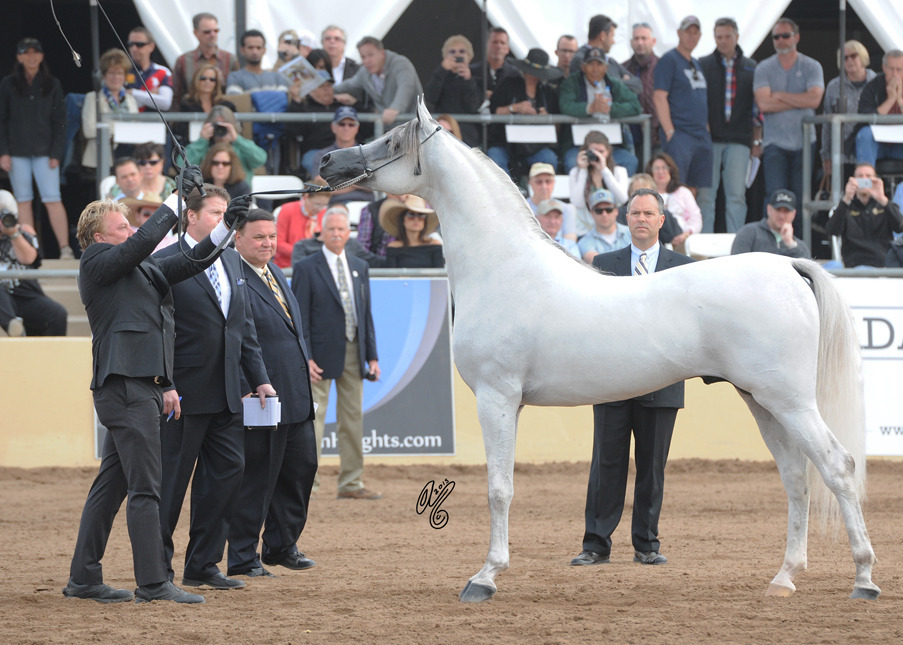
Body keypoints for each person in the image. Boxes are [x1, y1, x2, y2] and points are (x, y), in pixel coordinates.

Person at [64, 165, 228, 605]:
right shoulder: (97, 261)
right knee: (146, 488)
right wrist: (176, 200)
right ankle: (153, 582)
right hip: (126, 386)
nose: (131, 229)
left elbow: (191, 259)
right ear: (99, 236)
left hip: (138, 388)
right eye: (121, 225)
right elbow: (142, 243)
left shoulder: (143, 269)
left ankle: (83, 578)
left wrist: (228, 225)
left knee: (111, 487)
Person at [154, 185, 275, 590]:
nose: (224, 219)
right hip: (181, 396)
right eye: (216, 213)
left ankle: (203, 564)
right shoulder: (164, 261)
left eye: (228, 213)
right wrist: (164, 383)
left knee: (226, 476)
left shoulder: (233, 262)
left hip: (227, 393)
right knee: (170, 485)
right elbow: (159, 331)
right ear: (191, 216)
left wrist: (259, 377)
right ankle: (157, 571)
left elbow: (244, 329)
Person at [571, 187, 692, 568]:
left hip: (663, 379)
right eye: (635, 212)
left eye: (648, 213)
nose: (641, 218)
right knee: (606, 463)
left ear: (661, 220)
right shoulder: (603, 262)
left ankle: (647, 544)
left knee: (652, 467)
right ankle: (595, 545)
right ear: (627, 218)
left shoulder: (684, 267)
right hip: (611, 378)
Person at [227, 209, 318, 577]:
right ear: (237, 238)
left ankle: (282, 546)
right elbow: (236, 342)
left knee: (300, 470)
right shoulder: (234, 278)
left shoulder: (277, 272)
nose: (267, 243)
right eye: (259, 237)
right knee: (258, 480)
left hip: (294, 395)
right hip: (261, 399)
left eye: (271, 236)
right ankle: (243, 557)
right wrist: (247, 387)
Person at [292, 207, 381, 499]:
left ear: (348, 233)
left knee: (353, 419)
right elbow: (299, 316)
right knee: (314, 420)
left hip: (355, 350)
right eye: (331, 229)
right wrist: (305, 356)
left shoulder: (360, 266)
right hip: (318, 354)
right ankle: (309, 484)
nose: (336, 234)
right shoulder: (306, 267)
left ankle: (351, 483)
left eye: (342, 230)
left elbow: (366, 314)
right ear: (321, 232)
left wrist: (372, 356)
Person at [0, 37, 71, 258]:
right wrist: (3, 151)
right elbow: (2, 119)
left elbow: (61, 121)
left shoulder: (52, 83)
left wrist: (56, 153)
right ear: (19, 57)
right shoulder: (9, 84)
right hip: (17, 151)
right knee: (23, 200)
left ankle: (65, 248)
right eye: (26, 53)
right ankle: (31, 248)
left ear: (41, 56)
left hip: (45, 152)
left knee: (52, 198)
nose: (31, 57)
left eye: (35, 52)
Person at [753, 18, 824, 221]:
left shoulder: (812, 66)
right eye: (776, 36)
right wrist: (801, 99)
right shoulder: (764, 68)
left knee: (801, 199)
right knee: (774, 197)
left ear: (797, 37)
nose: (781, 40)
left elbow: (815, 99)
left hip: (804, 144)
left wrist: (780, 95)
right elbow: (764, 104)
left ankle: (799, 246)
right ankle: (771, 248)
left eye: (785, 35)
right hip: (774, 143)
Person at [699, 18, 762, 234]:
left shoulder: (751, 67)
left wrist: (756, 140)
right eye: (719, 37)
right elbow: (698, 103)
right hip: (710, 140)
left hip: (740, 140)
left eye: (727, 36)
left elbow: (757, 109)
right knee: (706, 196)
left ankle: (737, 245)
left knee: (736, 196)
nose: (723, 41)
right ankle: (702, 247)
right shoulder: (703, 64)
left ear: (737, 37)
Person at [653, 16, 713, 214]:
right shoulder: (669, 60)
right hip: (680, 134)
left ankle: (689, 231)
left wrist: (706, 130)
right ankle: (673, 230)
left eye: (696, 32)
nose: (691, 36)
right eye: (688, 31)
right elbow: (660, 97)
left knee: (695, 188)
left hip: (700, 136)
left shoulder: (696, 63)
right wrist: (670, 132)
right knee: (675, 187)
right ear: (679, 33)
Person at [559, 47, 642, 175]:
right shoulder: (572, 82)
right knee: (572, 163)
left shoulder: (614, 83)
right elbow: (565, 105)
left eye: (599, 64)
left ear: (606, 68)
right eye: (591, 64)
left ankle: (618, 194)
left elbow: (635, 106)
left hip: (609, 145)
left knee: (630, 161)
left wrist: (611, 109)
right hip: (579, 145)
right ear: (583, 67)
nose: (595, 69)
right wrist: (589, 108)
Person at [0, 190, 67, 336]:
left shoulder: (24, 234)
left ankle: (52, 356)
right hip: (2, 298)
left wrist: (13, 234)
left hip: (26, 295)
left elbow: (29, 259)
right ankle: (13, 326)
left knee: (57, 313)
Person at [487, 48, 561, 177]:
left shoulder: (548, 92)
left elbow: (558, 126)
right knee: (495, 159)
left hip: (536, 145)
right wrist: (515, 108)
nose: (534, 76)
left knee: (549, 159)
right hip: (505, 143)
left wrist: (546, 118)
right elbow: (494, 110)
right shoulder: (508, 84)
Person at [825, 164, 903, 267]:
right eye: (860, 176)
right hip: (853, 264)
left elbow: (900, 227)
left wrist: (882, 198)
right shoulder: (846, 206)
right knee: (829, 267)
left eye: (868, 176)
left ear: (875, 180)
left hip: (881, 265)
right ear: (854, 180)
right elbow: (832, 231)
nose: (864, 179)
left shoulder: (884, 205)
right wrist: (846, 199)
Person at [333, 36, 422, 126]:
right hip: (389, 132)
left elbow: (406, 87)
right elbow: (348, 85)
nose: (367, 61)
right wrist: (327, 92)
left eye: (371, 55)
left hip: (415, 129)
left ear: (382, 53)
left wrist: (395, 109)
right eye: (363, 57)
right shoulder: (364, 72)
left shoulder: (401, 64)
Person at [821, 41, 876, 179]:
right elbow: (826, 123)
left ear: (863, 57)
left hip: (873, 153)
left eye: (853, 56)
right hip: (843, 155)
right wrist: (826, 156)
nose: (849, 60)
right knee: (845, 196)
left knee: (869, 194)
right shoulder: (834, 86)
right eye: (845, 58)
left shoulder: (877, 82)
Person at [82, 49, 139, 172]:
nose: (116, 77)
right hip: (101, 158)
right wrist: (118, 132)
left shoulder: (130, 100)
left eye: (119, 73)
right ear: (104, 75)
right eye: (112, 73)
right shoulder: (93, 97)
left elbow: (136, 127)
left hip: (127, 157)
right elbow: (89, 130)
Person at [171, 12, 239, 111]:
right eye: (207, 32)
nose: (212, 35)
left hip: (222, 115)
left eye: (216, 31)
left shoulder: (230, 59)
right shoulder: (183, 61)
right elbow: (177, 95)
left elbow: (236, 95)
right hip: (191, 116)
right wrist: (174, 123)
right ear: (195, 33)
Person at [424, 35, 482, 147]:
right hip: (443, 131)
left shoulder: (477, 77)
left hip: (467, 135)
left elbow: (474, 106)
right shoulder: (440, 76)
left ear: (469, 56)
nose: (457, 55)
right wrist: (442, 70)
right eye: (452, 52)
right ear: (445, 56)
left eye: (462, 52)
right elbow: (430, 98)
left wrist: (468, 80)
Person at [568, 131, 630, 235]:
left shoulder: (619, 171)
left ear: (608, 152)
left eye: (601, 152)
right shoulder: (576, 173)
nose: (597, 155)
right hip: (585, 231)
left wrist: (604, 170)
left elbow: (622, 199)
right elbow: (578, 203)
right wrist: (583, 170)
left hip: (613, 229)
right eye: (593, 151)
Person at [186, 105, 267, 184]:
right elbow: (182, 165)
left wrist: (237, 139)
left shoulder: (241, 147)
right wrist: (202, 141)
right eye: (217, 126)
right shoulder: (203, 148)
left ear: (232, 126)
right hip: (209, 193)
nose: (221, 130)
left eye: (224, 126)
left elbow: (260, 159)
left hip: (239, 194)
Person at [287, 70, 341, 179]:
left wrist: (355, 103)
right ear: (310, 91)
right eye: (321, 86)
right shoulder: (305, 109)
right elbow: (292, 131)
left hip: (344, 148)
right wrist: (296, 102)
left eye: (329, 85)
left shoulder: (342, 107)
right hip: (316, 151)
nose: (326, 89)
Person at [311, 107, 372, 203]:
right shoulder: (322, 155)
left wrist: (337, 181)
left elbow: (373, 184)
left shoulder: (367, 153)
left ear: (357, 128)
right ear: (333, 127)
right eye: (341, 124)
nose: (346, 128)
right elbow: (320, 186)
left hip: (365, 206)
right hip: (333, 206)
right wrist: (358, 181)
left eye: (351, 124)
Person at [570, 15, 642, 94]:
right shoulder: (580, 60)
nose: (613, 41)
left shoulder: (611, 62)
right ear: (603, 36)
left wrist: (611, 82)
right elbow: (597, 88)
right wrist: (622, 81)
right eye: (612, 36)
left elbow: (638, 84)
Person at [855, 50, 903, 167]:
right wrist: (891, 99)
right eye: (891, 69)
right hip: (877, 144)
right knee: (865, 134)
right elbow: (865, 117)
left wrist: (899, 101)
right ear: (884, 68)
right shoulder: (873, 86)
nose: (895, 74)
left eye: (899, 69)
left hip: (900, 146)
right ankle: (866, 182)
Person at [731, 189, 811, 257]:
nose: (781, 216)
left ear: (793, 214)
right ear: (768, 209)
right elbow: (736, 267)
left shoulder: (799, 247)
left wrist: (790, 244)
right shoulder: (749, 233)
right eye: (778, 210)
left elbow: (807, 272)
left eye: (786, 211)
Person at [274, 178, 330, 268]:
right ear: (306, 196)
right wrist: (304, 253)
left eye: (324, 205)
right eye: (317, 204)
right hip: (289, 265)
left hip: (317, 264)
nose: (320, 208)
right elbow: (279, 243)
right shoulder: (287, 210)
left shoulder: (324, 213)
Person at [647, 153, 701, 245]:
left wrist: (686, 235)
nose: (660, 172)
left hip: (682, 239)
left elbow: (696, 217)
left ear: (670, 170)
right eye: (656, 168)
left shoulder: (683, 192)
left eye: (664, 168)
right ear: (651, 172)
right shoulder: (647, 194)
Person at [622, 23, 660, 149]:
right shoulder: (622, 68)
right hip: (629, 137)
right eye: (636, 38)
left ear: (653, 41)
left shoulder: (663, 67)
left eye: (644, 38)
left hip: (658, 137)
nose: (640, 43)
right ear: (631, 42)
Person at [379, 195, 444, 268]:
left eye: (421, 215)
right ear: (402, 220)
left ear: (424, 221)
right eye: (411, 214)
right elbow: (391, 276)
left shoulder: (435, 245)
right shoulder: (393, 247)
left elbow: (439, 275)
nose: (416, 219)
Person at [124, 27, 173, 112]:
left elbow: (165, 103)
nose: (134, 48)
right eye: (131, 44)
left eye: (139, 45)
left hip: (155, 123)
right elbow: (117, 99)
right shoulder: (122, 71)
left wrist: (133, 93)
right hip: (129, 123)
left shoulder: (163, 72)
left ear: (151, 47)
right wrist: (151, 95)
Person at [226, 30, 289, 95]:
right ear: (242, 50)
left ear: (264, 50)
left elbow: (283, 102)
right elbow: (237, 103)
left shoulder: (277, 77)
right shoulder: (235, 78)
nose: (255, 52)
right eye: (250, 48)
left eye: (258, 48)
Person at [577, 188, 631, 263]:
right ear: (592, 213)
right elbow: (599, 264)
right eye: (599, 211)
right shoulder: (584, 242)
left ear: (616, 211)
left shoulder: (631, 233)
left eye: (608, 209)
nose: (604, 214)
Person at [470, 27, 518, 99]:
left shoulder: (515, 74)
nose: (498, 46)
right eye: (495, 42)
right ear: (486, 45)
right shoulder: (472, 71)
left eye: (502, 43)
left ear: (508, 49)